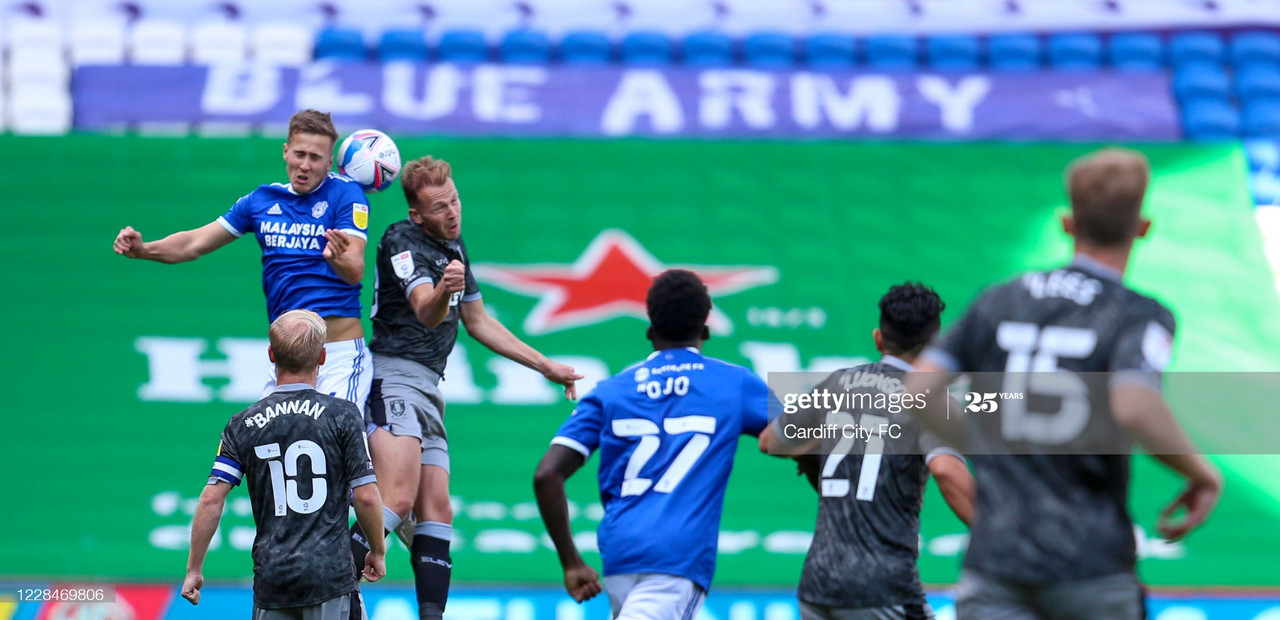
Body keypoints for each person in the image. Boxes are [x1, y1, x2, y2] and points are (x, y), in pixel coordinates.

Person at [907, 148, 1223, 619]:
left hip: (996, 564)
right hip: (1091, 566)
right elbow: (1135, 405)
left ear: (1066, 222)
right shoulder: (1138, 314)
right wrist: (1202, 474)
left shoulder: (998, 300)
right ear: (1143, 228)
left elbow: (916, 393)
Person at [351, 155, 582, 620]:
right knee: (397, 500)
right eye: (439, 208)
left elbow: (476, 321)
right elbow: (425, 310)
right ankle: (315, 582)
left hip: (430, 389)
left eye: (454, 200)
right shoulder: (401, 238)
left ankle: (432, 616)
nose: (452, 213)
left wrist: (544, 366)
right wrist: (442, 289)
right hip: (393, 375)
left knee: (437, 511)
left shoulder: (455, 248)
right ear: (417, 214)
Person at [533, 269, 776, 618]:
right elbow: (803, 430)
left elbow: (546, 475)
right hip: (677, 558)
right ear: (705, 328)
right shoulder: (733, 382)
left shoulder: (610, 391)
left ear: (650, 328)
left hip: (619, 553)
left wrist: (571, 562)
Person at [112, 109, 373, 406]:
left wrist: (336, 258)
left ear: (329, 163)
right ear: (285, 151)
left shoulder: (346, 195)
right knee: (269, 447)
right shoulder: (260, 201)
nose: (304, 165)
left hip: (337, 352)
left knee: (336, 443)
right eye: (299, 154)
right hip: (289, 358)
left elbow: (355, 270)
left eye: (315, 158)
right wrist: (144, 249)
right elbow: (193, 244)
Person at [759, 282, 975, 620]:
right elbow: (946, 470)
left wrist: (815, 457)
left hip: (817, 587)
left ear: (878, 338)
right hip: (881, 589)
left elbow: (770, 442)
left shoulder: (836, 385)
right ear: (936, 346)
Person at [181, 309, 387, 620]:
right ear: (322, 357)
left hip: (272, 581)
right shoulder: (343, 416)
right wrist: (377, 551)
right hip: (330, 578)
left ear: (271, 354)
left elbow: (212, 498)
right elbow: (366, 496)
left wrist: (194, 568)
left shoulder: (243, 423)